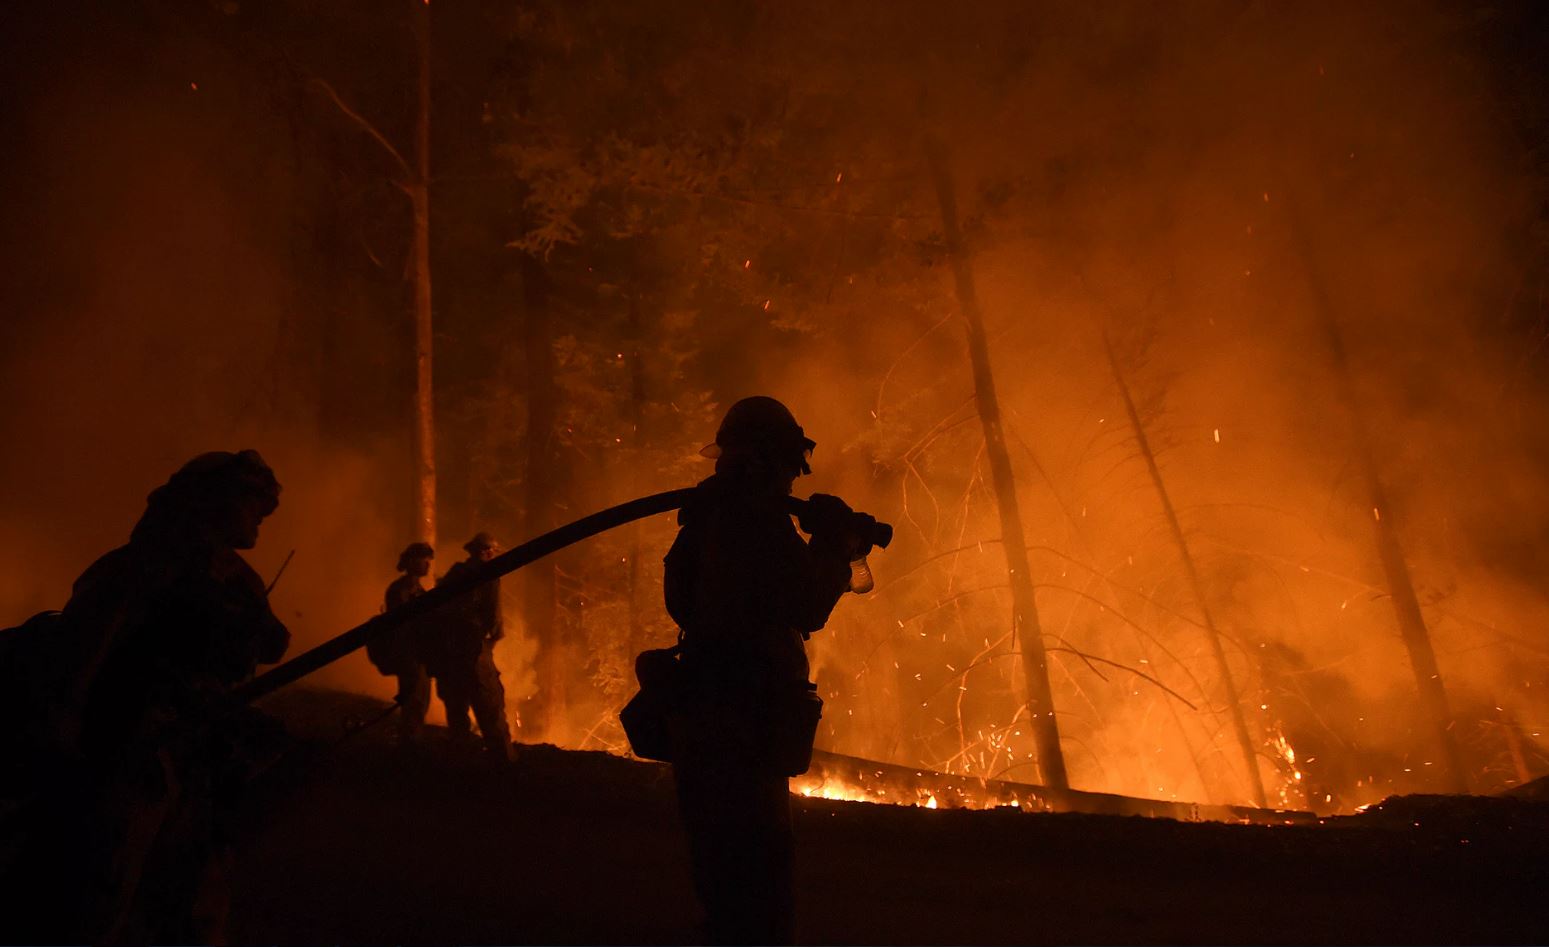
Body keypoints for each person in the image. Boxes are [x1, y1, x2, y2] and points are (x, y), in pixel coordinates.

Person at [7, 449, 291, 943]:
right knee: (99, 889)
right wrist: (62, 730)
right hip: (132, 750)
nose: (259, 519)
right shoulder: (140, 567)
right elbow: (84, 651)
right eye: (250, 504)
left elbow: (265, 645)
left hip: (200, 759)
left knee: (197, 900)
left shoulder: (240, 581)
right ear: (209, 502)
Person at [664, 396, 862, 945]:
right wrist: (833, 548)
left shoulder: (705, 518)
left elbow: (679, 600)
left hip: (700, 716)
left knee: (720, 874)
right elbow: (805, 605)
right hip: (746, 723)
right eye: (787, 470)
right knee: (761, 885)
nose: (791, 485)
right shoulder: (757, 522)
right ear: (772, 461)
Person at [432, 532, 513, 760]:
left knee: (456, 708)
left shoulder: (454, 574)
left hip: (450, 651)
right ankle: (502, 760)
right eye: (491, 551)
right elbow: (494, 622)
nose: (492, 555)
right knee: (490, 705)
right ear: (486, 552)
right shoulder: (489, 576)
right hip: (474, 648)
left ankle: (459, 760)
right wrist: (489, 644)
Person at [370, 541, 435, 743]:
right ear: (412, 561)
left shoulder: (417, 590)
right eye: (425, 560)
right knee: (414, 702)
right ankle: (409, 745)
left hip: (419, 655)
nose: (428, 565)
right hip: (409, 655)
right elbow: (403, 625)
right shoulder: (400, 590)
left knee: (420, 701)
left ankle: (412, 742)